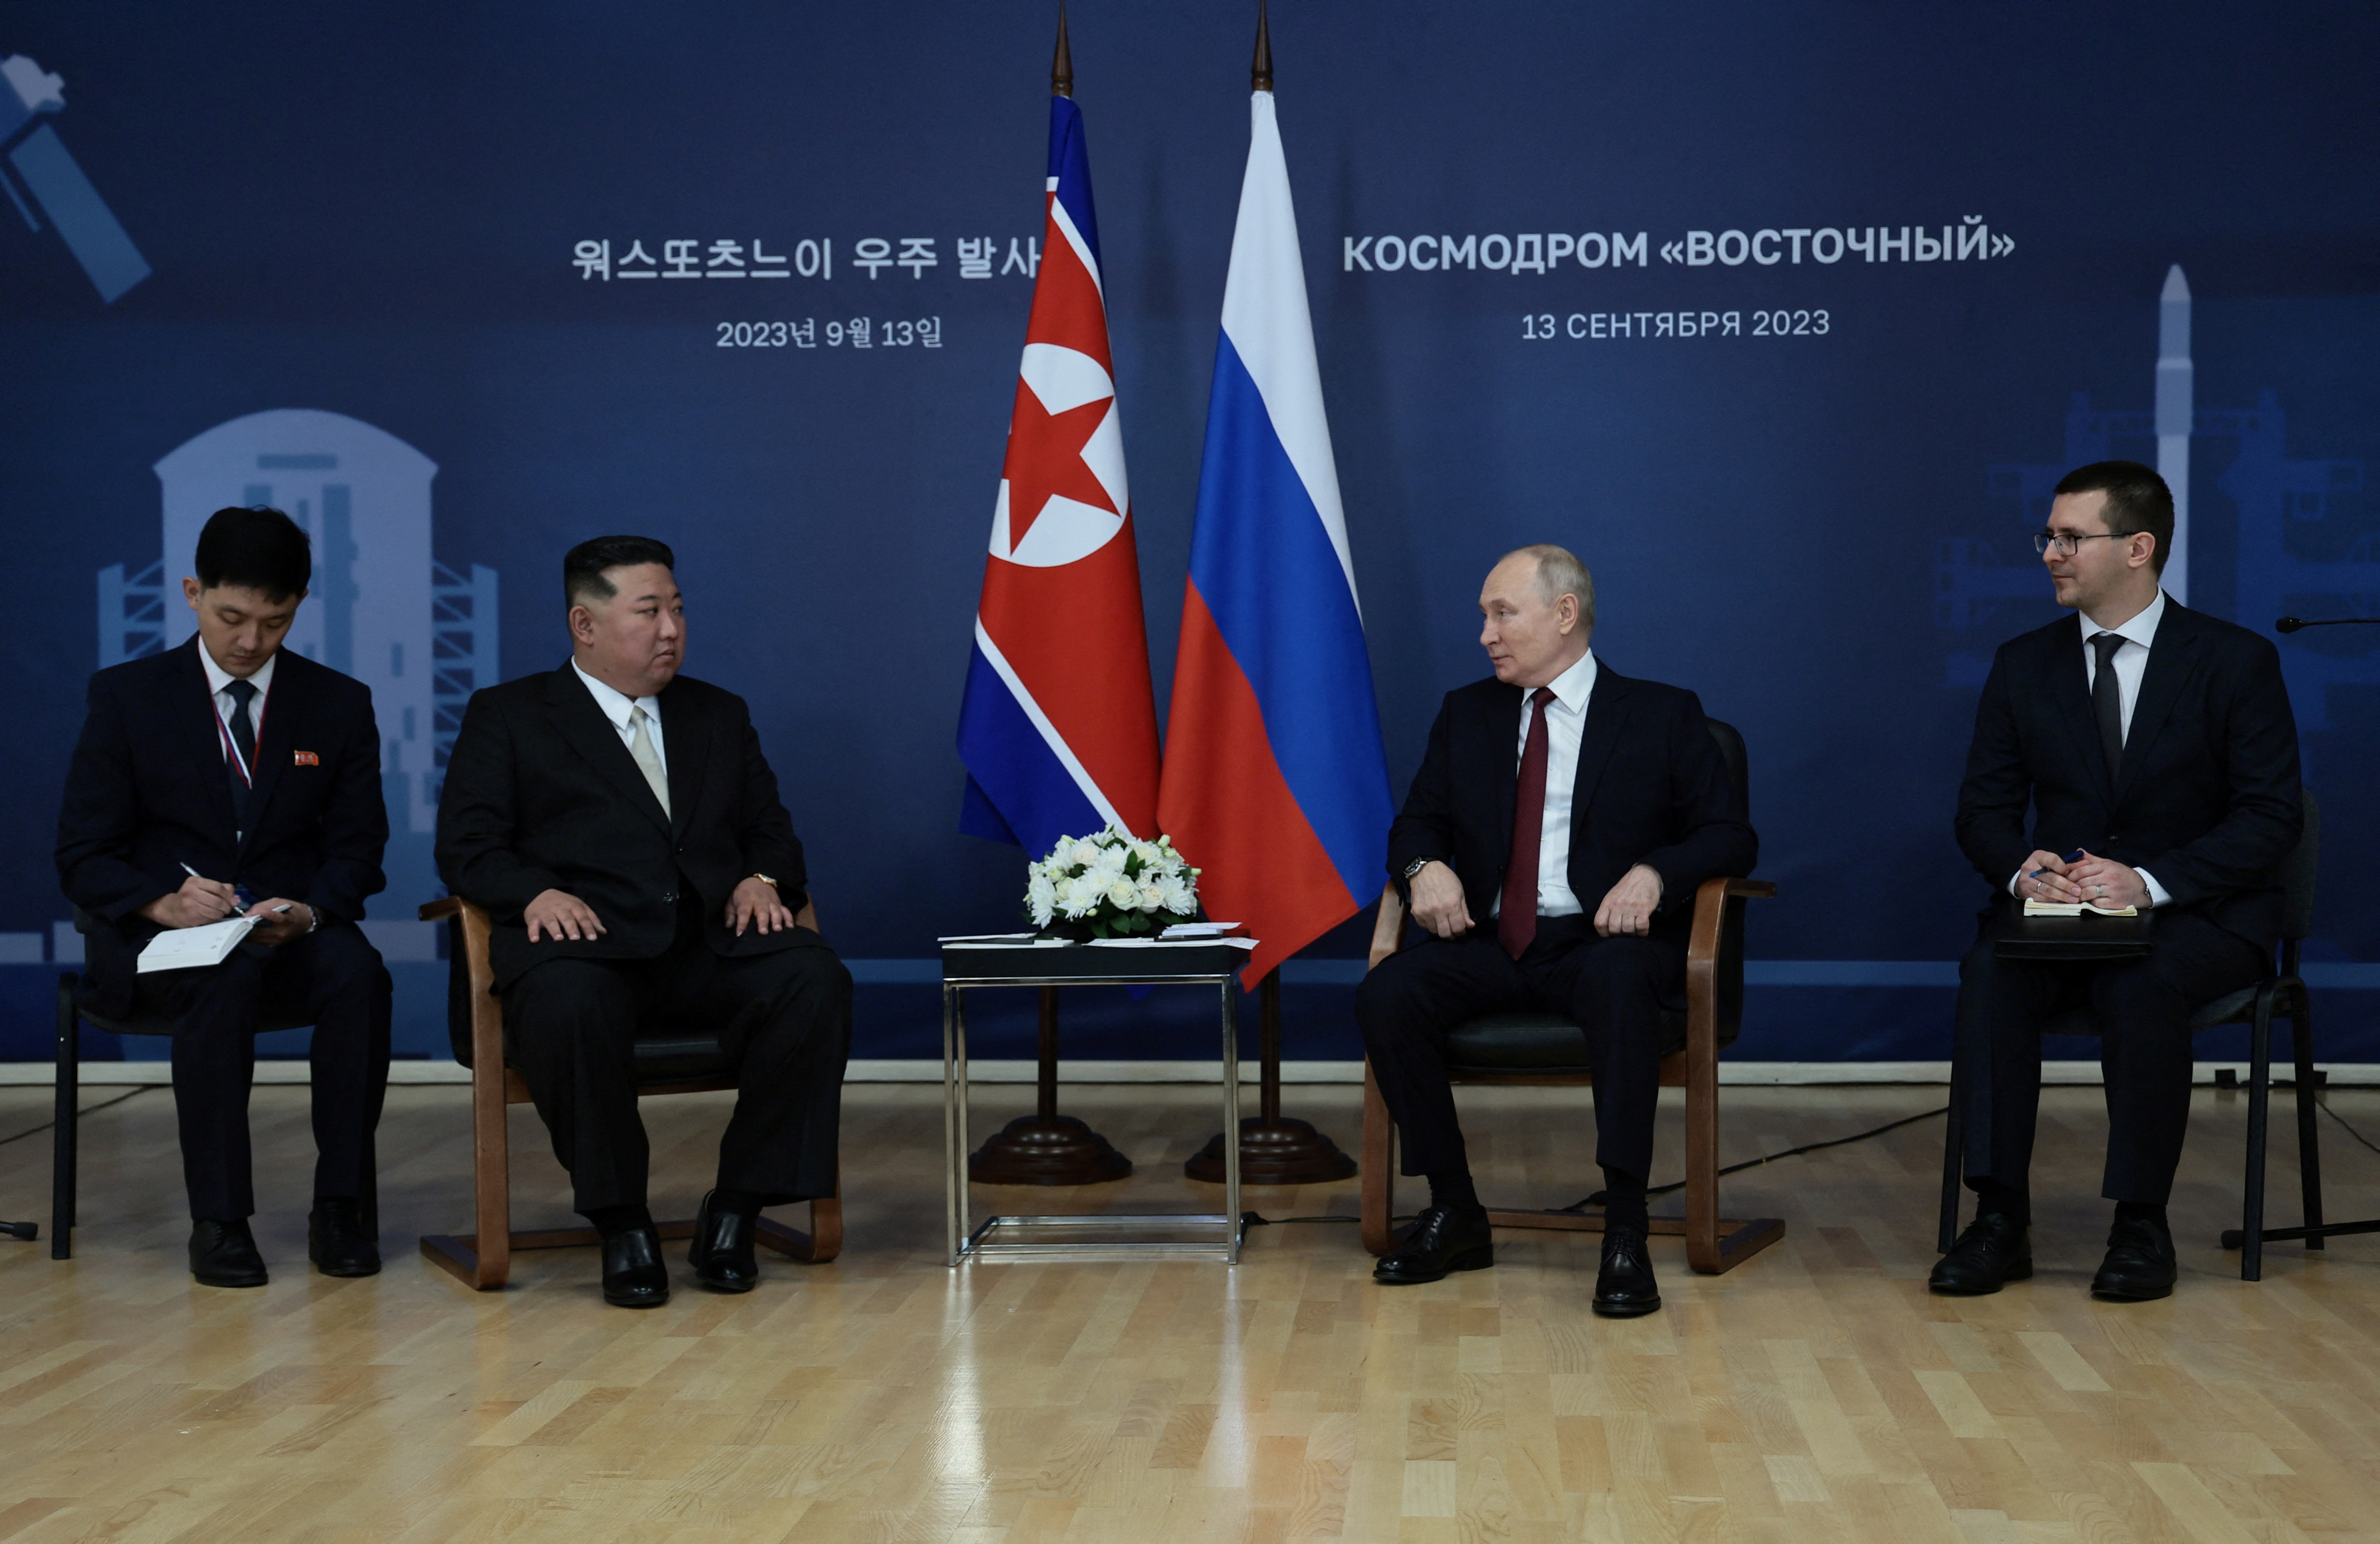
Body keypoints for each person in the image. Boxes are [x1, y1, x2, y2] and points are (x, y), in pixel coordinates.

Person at [436, 535, 850, 1309]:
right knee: (569, 999)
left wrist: (764, 879)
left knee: (812, 976)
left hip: (706, 948)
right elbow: (467, 846)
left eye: (679, 610)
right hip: (587, 952)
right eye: (649, 612)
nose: (671, 630)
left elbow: (774, 833)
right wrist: (533, 893)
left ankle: (738, 1207)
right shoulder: (512, 715)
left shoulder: (717, 713)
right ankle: (622, 1220)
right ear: (585, 625)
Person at [1356, 545, 1756, 1316]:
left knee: (1619, 982)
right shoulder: (1467, 713)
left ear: (1564, 614)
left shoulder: (1661, 714)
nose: (1485, 634)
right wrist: (1421, 869)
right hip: (1491, 942)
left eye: (1502, 613)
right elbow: (1415, 824)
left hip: (1602, 945)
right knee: (1387, 993)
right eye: (1484, 616)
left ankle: (1625, 1227)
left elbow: (1729, 836)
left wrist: (1656, 873)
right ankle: (1454, 1207)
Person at [1937, 461, 2301, 1302]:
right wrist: (2023, 869)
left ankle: (2141, 1223)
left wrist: (2150, 881)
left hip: (2198, 917)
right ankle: (1998, 1219)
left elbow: (2270, 817)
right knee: (1990, 972)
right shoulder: (2024, 664)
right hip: (2061, 917)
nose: (2050, 554)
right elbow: (1982, 810)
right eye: (2049, 537)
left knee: (2142, 981)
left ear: (2138, 548)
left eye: (2071, 538)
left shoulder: (2234, 661)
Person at [56, 506, 393, 1288]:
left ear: (299, 606)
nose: (250, 641)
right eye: (231, 617)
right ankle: (220, 1220)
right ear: (192, 593)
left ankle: (341, 1206)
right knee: (221, 976)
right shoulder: (128, 697)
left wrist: (309, 911)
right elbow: (81, 854)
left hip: (284, 934)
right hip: (159, 943)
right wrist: (162, 903)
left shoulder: (338, 704)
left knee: (360, 975)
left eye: (274, 623)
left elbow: (358, 849)